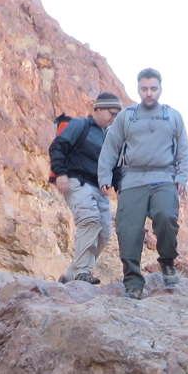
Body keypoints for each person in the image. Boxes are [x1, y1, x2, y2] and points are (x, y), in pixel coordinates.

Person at [98, 68, 188, 300]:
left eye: (153, 89)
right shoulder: (127, 117)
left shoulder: (172, 116)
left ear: (160, 89)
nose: (149, 93)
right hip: (133, 179)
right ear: (138, 89)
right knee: (128, 230)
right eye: (144, 89)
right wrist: (104, 176)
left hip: (164, 178)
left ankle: (167, 262)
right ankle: (133, 283)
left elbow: (183, 149)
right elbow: (110, 147)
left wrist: (182, 176)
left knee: (166, 218)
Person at [51, 92, 122, 284]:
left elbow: (114, 167)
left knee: (104, 233)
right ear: (98, 109)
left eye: (117, 115)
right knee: (90, 220)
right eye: (111, 113)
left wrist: (120, 190)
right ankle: (82, 272)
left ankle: (70, 275)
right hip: (76, 181)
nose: (114, 118)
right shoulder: (80, 125)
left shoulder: (110, 136)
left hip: (99, 189)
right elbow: (58, 147)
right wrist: (60, 173)